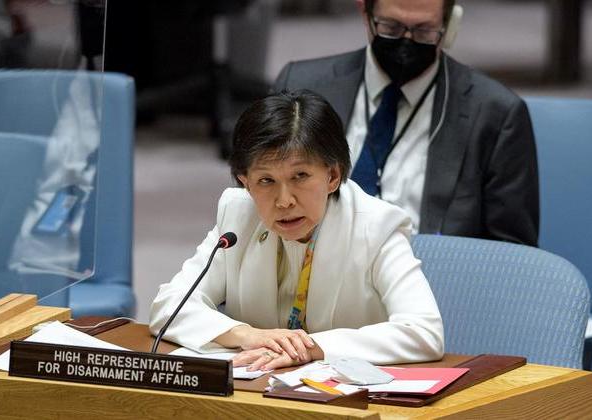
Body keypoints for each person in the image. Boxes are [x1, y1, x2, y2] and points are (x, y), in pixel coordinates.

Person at [150, 90, 443, 371]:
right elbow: (168, 306)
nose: (284, 201)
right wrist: (247, 335)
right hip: (255, 390)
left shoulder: (376, 227)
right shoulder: (237, 217)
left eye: (300, 176)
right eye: (266, 181)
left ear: (333, 175)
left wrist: (309, 347)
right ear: (246, 183)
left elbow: (424, 332)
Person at [273, 0, 539, 246]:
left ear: (449, 26)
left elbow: (512, 257)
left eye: (424, 31)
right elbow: (260, 202)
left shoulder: (496, 116)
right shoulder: (299, 86)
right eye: (391, 28)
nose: (406, 41)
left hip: (432, 277)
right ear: (365, 13)